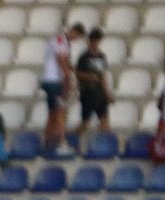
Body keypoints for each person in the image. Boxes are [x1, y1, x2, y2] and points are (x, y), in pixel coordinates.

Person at [41, 22, 84, 156]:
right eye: (76, 37)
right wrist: (67, 78)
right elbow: (61, 59)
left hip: (49, 80)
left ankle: (48, 143)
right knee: (60, 112)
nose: (75, 39)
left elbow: (63, 60)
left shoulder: (62, 41)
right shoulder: (61, 40)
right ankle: (61, 143)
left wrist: (71, 69)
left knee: (53, 113)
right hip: (54, 80)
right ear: (74, 32)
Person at [74, 28, 113, 149]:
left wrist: (107, 92)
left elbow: (103, 75)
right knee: (85, 123)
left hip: (100, 94)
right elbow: (77, 73)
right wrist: (89, 77)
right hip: (88, 93)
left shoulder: (102, 56)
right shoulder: (84, 57)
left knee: (105, 123)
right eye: (94, 41)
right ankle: (71, 140)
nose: (96, 44)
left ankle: (104, 147)